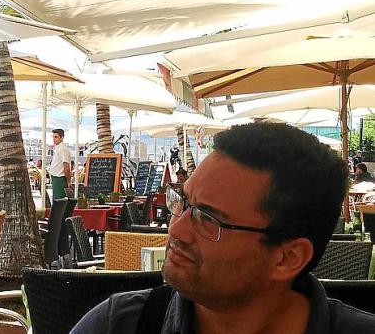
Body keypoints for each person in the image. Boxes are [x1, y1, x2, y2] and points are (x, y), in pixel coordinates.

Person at [72, 122, 375, 333]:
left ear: (288, 258)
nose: (176, 230)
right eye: (183, 202)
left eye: (208, 219)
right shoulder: (120, 324)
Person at [48, 129, 71, 200]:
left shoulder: (63, 149)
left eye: (56, 137)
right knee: (57, 200)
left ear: (62, 138)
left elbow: (66, 166)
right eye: (53, 137)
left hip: (60, 179)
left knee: (59, 201)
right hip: (56, 179)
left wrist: (68, 181)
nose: (54, 139)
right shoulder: (58, 148)